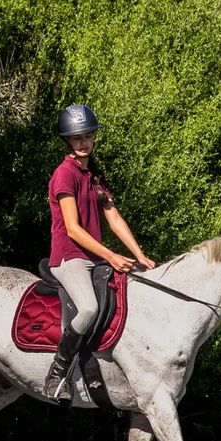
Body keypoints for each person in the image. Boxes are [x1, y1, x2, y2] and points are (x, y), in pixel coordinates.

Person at [44, 104, 153, 400]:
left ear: (93, 137)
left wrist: (139, 254)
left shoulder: (94, 174)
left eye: (87, 136)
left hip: (94, 258)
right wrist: (111, 255)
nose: (83, 142)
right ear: (68, 141)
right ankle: (57, 372)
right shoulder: (65, 174)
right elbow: (73, 229)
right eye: (76, 138)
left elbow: (113, 216)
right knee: (89, 308)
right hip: (70, 258)